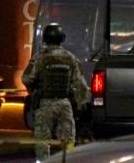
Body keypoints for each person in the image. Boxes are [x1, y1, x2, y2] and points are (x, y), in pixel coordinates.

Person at [22, 23, 90, 163]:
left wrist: (34, 90)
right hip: (65, 104)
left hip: (45, 104)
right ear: (62, 38)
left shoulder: (39, 57)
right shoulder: (70, 57)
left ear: (45, 39)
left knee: (42, 142)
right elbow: (81, 85)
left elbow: (27, 78)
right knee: (68, 142)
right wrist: (81, 105)